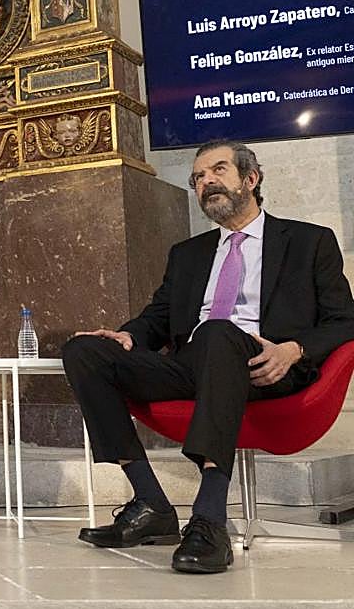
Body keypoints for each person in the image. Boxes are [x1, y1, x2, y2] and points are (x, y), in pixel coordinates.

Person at [63, 140, 354, 574]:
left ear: (250, 179)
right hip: (193, 364)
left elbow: (344, 320)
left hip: (265, 365)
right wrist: (126, 336)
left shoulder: (308, 241)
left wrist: (293, 350)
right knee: (84, 350)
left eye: (217, 170)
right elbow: (157, 318)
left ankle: (210, 518)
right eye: (198, 177)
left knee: (220, 332)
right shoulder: (188, 254)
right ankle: (150, 503)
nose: (206, 182)